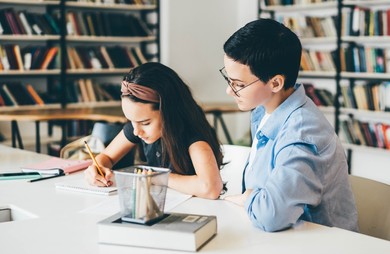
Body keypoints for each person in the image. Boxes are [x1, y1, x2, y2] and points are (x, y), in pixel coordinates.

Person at [220, 18, 359, 232]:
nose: (229, 91)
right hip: (282, 238)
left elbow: (271, 216)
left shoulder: (302, 133)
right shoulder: (264, 110)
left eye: (238, 84)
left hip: (320, 249)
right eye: (229, 80)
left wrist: (249, 197)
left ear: (275, 83)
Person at [85, 62, 223, 199]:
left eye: (145, 123)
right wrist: (97, 168)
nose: (135, 132)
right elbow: (107, 157)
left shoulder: (195, 140)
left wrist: (158, 177)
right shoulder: (139, 129)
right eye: (131, 121)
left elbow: (211, 189)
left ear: (169, 113)